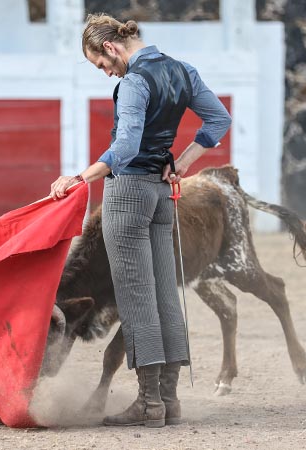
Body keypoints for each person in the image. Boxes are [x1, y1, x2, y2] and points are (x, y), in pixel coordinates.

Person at [50, 13, 231, 428]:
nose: (105, 72)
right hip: (162, 195)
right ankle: (169, 401)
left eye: (101, 64)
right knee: (166, 294)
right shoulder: (182, 70)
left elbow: (127, 145)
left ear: (111, 47)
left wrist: (81, 176)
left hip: (129, 194)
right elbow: (219, 119)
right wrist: (181, 163)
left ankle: (148, 404)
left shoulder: (132, 82)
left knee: (136, 299)